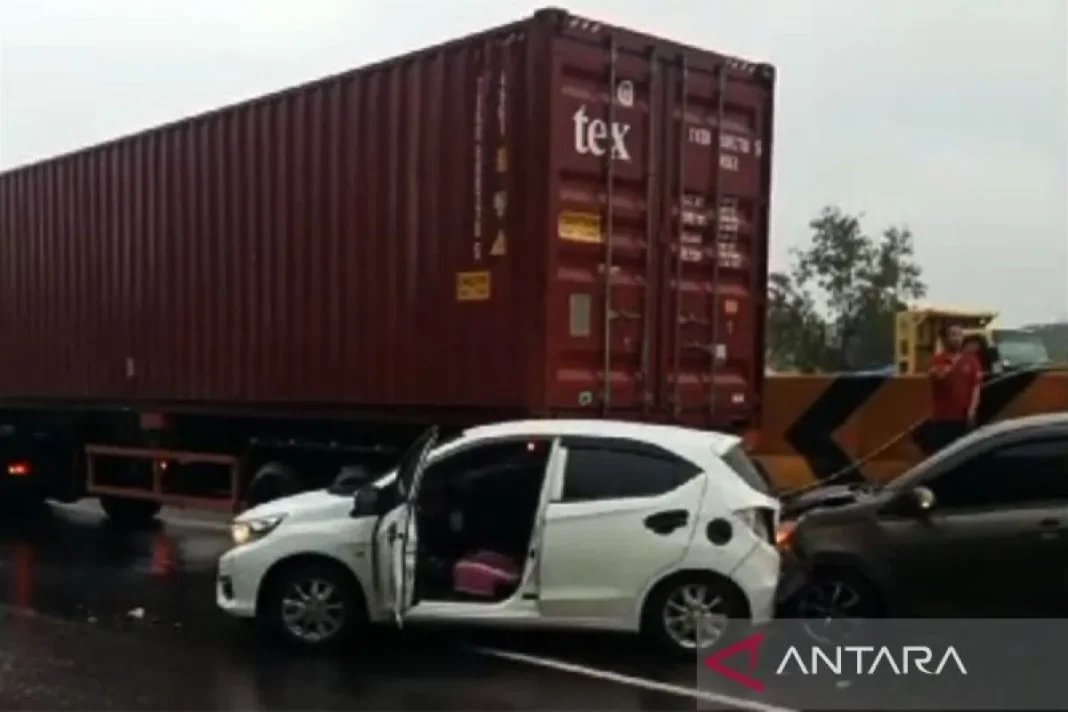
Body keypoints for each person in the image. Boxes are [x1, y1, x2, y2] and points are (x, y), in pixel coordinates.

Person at [928, 324, 983, 450]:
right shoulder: (938, 359)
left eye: (959, 335)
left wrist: (971, 411)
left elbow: (976, 388)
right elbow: (939, 376)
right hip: (942, 419)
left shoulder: (972, 360)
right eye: (953, 335)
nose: (957, 338)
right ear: (945, 339)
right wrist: (953, 361)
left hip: (963, 419)